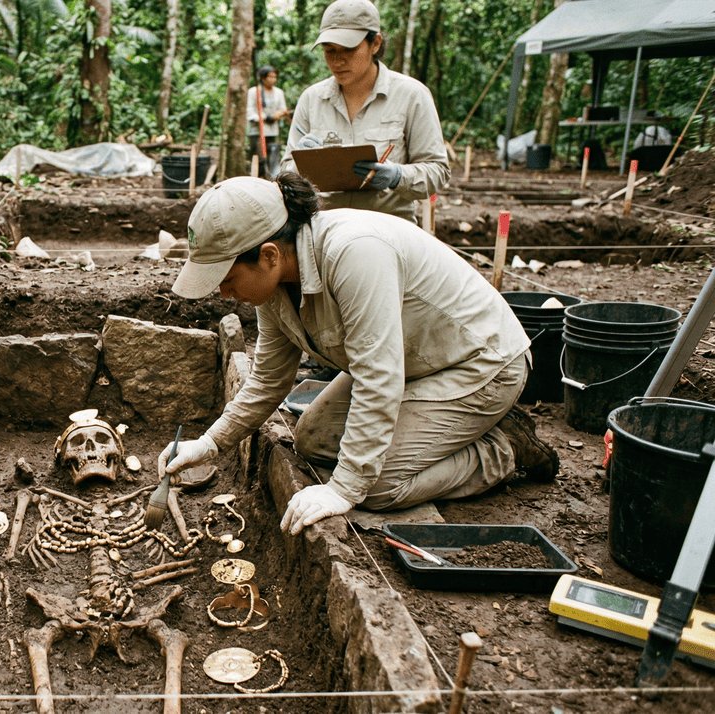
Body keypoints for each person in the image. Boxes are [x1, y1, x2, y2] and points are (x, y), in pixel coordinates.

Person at [159, 173, 559, 535]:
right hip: (412, 365)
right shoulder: (272, 289)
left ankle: (502, 449)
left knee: (377, 486)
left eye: (227, 279)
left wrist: (345, 489)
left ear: (268, 255)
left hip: (481, 365)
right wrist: (210, 443)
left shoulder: (354, 252)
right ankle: (441, 432)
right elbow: (267, 379)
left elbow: (378, 377)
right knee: (313, 442)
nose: (223, 293)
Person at [280, 0, 449, 224]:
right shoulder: (312, 99)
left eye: (349, 50)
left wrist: (398, 176)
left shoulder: (412, 95)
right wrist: (299, 166)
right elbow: (285, 174)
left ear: (375, 44)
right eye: (329, 51)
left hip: (389, 227)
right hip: (323, 228)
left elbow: (437, 171)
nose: (338, 61)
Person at [247, 66, 291, 180]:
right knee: (260, 158)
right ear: (263, 78)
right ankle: (257, 178)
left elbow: (283, 108)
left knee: (273, 158)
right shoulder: (254, 91)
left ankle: (271, 179)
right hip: (257, 131)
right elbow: (250, 113)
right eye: (270, 77)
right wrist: (267, 117)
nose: (273, 79)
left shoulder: (279, 92)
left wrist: (279, 113)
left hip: (272, 131)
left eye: (274, 77)